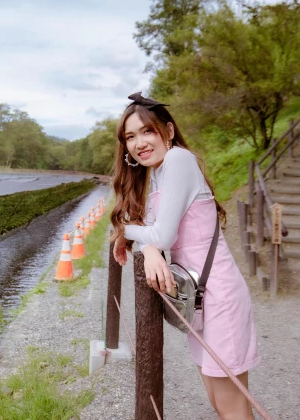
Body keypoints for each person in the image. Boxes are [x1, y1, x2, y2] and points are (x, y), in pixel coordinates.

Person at [110, 92, 261, 420]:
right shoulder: (160, 172)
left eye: (147, 131)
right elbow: (156, 230)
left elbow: (162, 234)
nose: (139, 143)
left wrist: (125, 232)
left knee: (233, 409)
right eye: (130, 137)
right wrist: (149, 248)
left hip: (219, 297)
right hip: (201, 299)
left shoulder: (178, 160)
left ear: (169, 130)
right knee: (221, 404)